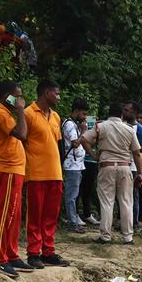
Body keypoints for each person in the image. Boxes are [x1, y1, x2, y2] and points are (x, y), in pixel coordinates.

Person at [76, 102, 142, 244]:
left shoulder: (101, 126)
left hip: (106, 166)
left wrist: (93, 154)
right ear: (122, 115)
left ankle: (105, 236)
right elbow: (137, 153)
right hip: (125, 167)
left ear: (109, 114)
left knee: (107, 202)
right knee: (126, 202)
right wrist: (140, 173)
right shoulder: (129, 129)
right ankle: (128, 237)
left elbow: (84, 139)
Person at [0, 80, 30, 278]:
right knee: (6, 214)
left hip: (16, 169)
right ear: (7, 96)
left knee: (15, 214)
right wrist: (21, 110)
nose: (20, 99)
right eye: (17, 96)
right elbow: (22, 134)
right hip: (8, 168)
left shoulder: (5, 113)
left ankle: (11, 253)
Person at [21, 79, 68, 269]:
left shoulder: (55, 116)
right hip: (36, 172)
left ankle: (48, 251)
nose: (58, 96)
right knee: (35, 214)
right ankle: (33, 252)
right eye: (56, 93)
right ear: (46, 93)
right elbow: (22, 141)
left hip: (55, 173)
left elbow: (57, 144)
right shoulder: (28, 113)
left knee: (51, 214)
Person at [60, 98, 89, 234]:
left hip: (77, 164)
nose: (84, 118)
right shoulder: (70, 125)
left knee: (74, 194)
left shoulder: (72, 124)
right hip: (72, 165)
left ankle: (73, 220)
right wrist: (83, 132)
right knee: (71, 195)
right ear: (76, 111)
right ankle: (72, 223)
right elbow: (75, 144)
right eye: (83, 114)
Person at [122, 101, 142, 231]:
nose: (124, 112)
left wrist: (132, 147)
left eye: (127, 110)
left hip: (132, 167)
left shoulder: (139, 129)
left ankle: (134, 222)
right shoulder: (121, 125)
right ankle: (123, 221)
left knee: (133, 196)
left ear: (134, 113)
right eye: (124, 110)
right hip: (122, 165)